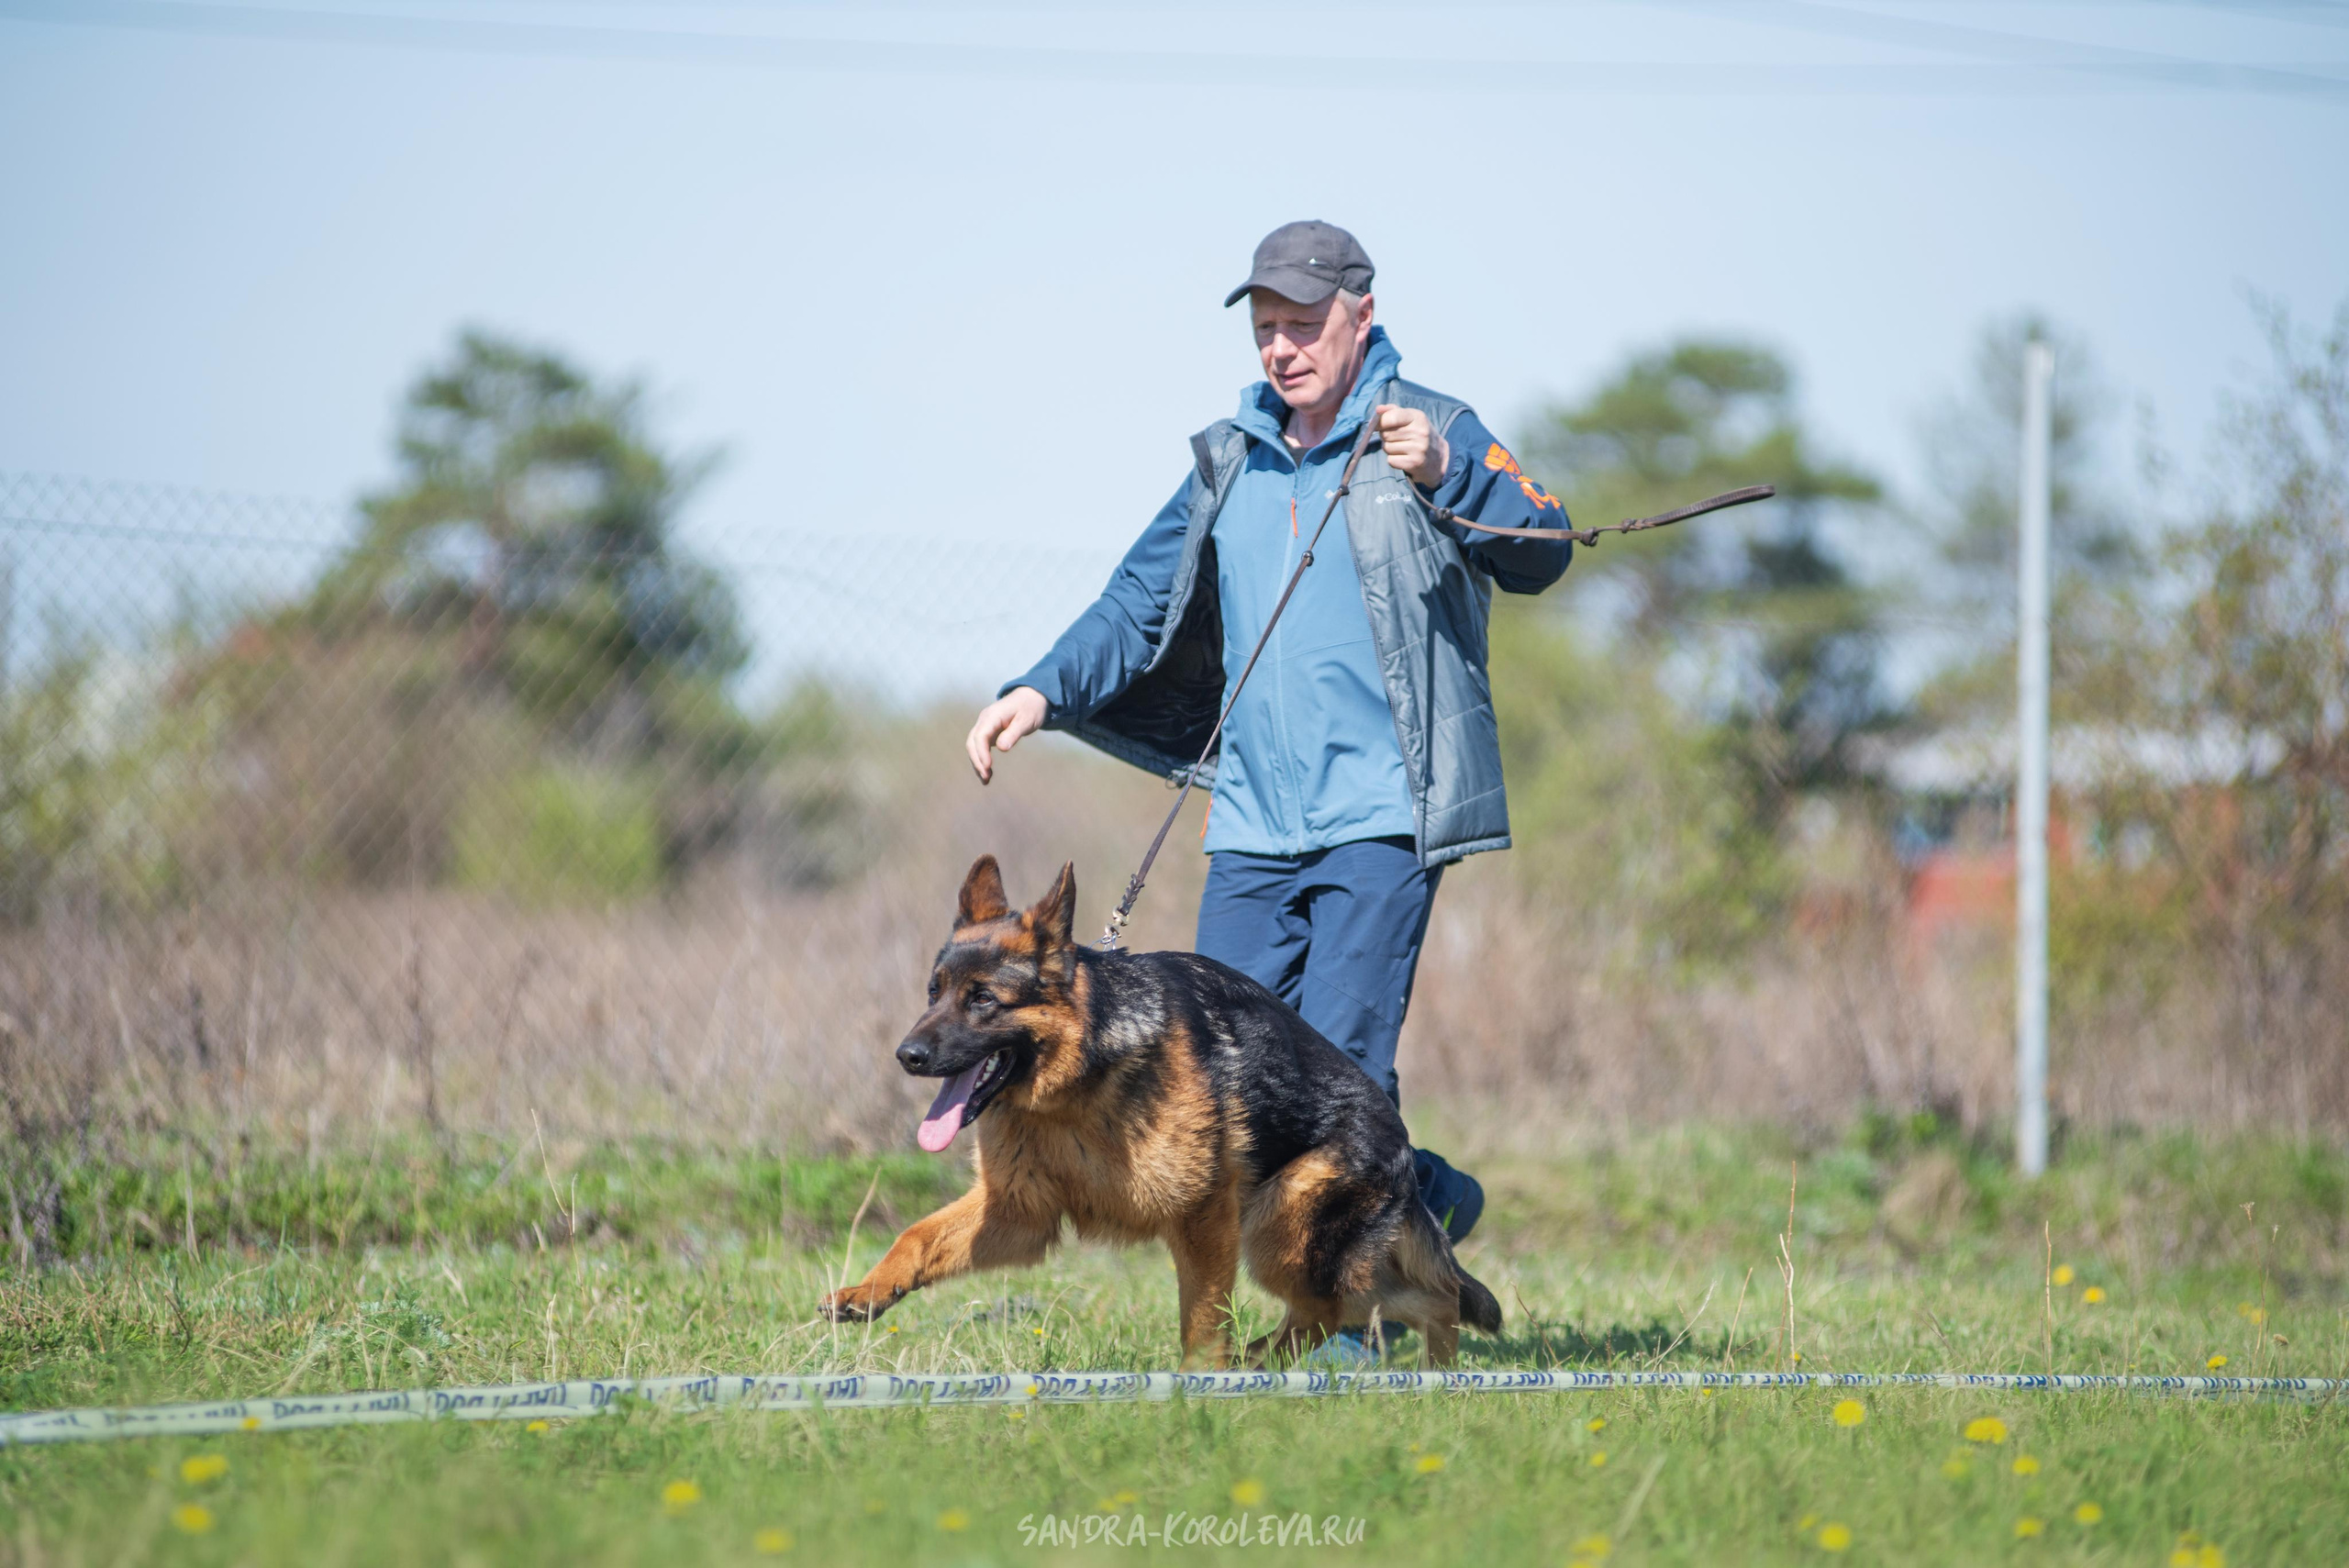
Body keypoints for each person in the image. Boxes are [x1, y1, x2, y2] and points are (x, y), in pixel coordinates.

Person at [964, 220, 1574, 1360]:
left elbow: (1545, 545)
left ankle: (1349, 1332)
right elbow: (1135, 603)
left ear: (1361, 314)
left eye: (1302, 325)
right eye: (1265, 330)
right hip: (1251, 818)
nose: (1282, 349)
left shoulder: (1430, 433)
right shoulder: (1228, 459)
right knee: (1231, 1078)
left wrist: (1452, 475)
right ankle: (1422, 1189)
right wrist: (1039, 689)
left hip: (1385, 812)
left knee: (1341, 1050)